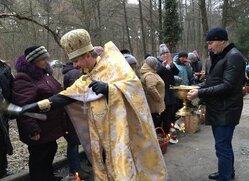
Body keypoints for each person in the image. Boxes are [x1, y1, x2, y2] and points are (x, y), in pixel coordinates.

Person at [10, 29, 167, 180]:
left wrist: (109, 89)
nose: (75, 65)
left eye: (76, 61)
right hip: (99, 134)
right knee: (106, 166)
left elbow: (135, 87)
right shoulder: (86, 78)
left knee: (124, 166)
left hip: (121, 131)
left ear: (87, 55)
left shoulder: (114, 65)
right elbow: (66, 96)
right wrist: (35, 106)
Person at [187, 27, 245, 181]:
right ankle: (227, 172)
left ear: (222, 41)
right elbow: (213, 81)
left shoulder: (234, 57)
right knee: (224, 146)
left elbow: (228, 86)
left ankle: (225, 177)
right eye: (208, 43)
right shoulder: (219, 56)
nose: (209, 47)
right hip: (219, 108)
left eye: (211, 43)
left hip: (227, 110)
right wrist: (198, 87)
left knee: (222, 147)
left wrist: (200, 93)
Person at [12, 46, 68, 181]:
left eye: (46, 58)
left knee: (50, 150)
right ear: (33, 61)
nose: (46, 61)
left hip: (49, 126)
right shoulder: (24, 78)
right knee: (39, 157)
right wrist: (33, 130)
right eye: (42, 59)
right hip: (39, 128)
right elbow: (23, 106)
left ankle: (48, 176)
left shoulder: (44, 74)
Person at [62, 61, 90, 180]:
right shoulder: (75, 74)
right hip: (75, 113)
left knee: (73, 142)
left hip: (72, 112)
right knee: (73, 142)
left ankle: (75, 170)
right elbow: (77, 95)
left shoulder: (70, 73)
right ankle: (75, 171)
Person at [157, 44, 179, 137]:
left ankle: (169, 130)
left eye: (167, 53)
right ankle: (163, 132)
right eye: (163, 54)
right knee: (165, 113)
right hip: (163, 93)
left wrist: (172, 65)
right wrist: (163, 67)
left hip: (171, 91)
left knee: (171, 112)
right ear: (160, 55)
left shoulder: (171, 63)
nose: (165, 55)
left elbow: (176, 72)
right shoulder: (157, 63)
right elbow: (157, 75)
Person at [140, 56, 165, 128]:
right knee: (154, 123)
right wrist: (158, 98)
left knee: (154, 122)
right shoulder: (149, 75)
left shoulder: (150, 72)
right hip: (154, 104)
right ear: (153, 65)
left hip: (154, 103)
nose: (157, 66)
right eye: (156, 64)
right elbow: (151, 87)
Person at [0, 59, 13, 179]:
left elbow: (10, 88)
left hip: (3, 113)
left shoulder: (4, 67)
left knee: (3, 140)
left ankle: (2, 170)